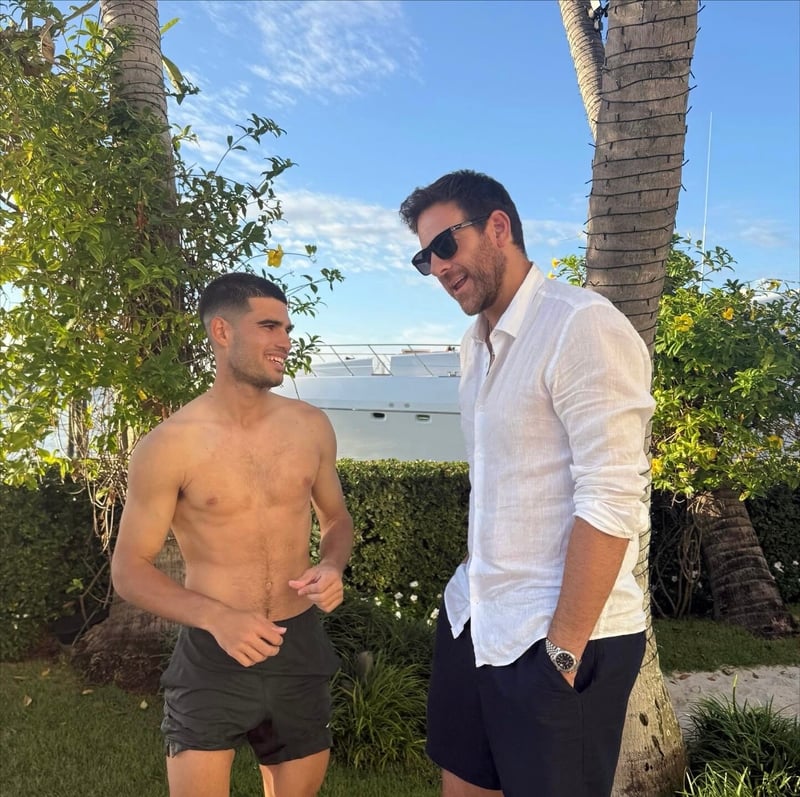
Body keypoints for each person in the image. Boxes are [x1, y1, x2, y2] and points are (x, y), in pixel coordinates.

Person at [399, 170, 655, 797]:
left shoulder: (580, 325)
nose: (438, 267)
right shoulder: (474, 347)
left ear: (498, 227)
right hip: (476, 617)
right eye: (425, 257)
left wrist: (562, 653)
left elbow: (612, 498)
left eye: (445, 245)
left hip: (559, 638)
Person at [111, 272, 353, 797]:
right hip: (213, 654)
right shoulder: (168, 445)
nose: (284, 341)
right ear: (222, 331)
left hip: (298, 646)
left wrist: (332, 564)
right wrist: (217, 618)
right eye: (268, 326)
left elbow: (337, 519)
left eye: (286, 329)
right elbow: (129, 568)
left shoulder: (311, 426)